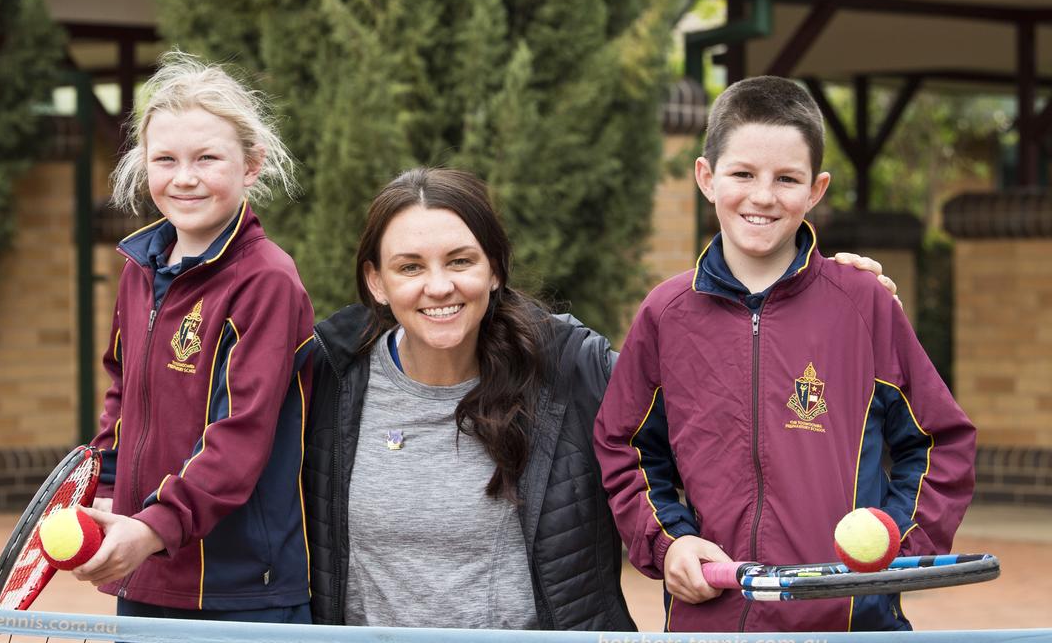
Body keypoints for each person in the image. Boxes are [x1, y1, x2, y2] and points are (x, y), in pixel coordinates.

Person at [593, 76, 977, 633]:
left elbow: (941, 442)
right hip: (714, 622)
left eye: (787, 179)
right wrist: (670, 542)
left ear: (816, 189)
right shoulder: (665, 315)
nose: (764, 196)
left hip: (847, 624)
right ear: (706, 177)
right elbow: (625, 449)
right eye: (743, 174)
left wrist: (891, 547)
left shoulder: (863, 304)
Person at [303, 167, 636, 630]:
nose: (438, 287)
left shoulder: (572, 372)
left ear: (494, 269)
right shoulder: (327, 377)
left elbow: (699, 439)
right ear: (377, 282)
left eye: (460, 261)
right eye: (410, 267)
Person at [74, 52, 315, 625]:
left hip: (243, 590)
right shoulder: (139, 266)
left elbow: (240, 439)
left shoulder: (267, 282)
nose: (184, 177)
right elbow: (122, 391)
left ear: (252, 165)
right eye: (166, 159)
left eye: (207, 158)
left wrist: (154, 527)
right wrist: (105, 488)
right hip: (147, 568)